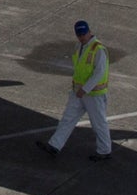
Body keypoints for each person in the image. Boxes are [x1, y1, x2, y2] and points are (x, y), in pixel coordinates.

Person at [45, 21, 113, 160]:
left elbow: (99, 72)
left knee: (98, 124)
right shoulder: (80, 46)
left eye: (83, 34)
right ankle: (55, 145)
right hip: (78, 92)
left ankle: (104, 151)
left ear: (89, 32)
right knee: (67, 119)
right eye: (79, 35)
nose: (81, 37)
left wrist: (85, 89)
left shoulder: (98, 49)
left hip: (93, 94)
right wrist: (79, 89)